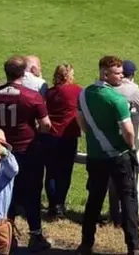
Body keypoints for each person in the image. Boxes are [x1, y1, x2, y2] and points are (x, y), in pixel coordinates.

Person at [0, 55, 51, 252]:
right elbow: (46, 125)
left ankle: (7, 234)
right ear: (24, 72)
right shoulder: (32, 96)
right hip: (27, 150)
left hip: (2, 149)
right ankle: (35, 235)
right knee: (32, 193)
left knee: (5, 192)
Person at [76, 55, 139, 255]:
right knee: (128, 199)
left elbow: (81, 122)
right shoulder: (117, 99)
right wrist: (129, 146)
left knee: (94, 200)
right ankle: (134, 245)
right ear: (105, 73)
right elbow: (129, 132)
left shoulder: (84, 94)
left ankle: (86, 243)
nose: (122, 77)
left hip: (95, 156)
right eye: (118, 73)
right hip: (118, 156)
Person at [43, 63, 81, 219]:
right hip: (67, 134)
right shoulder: (76, 90)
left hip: (50, 134)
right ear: (69, 75)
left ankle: (52, 205)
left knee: (51, 172)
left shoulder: (50, 93)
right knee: (64, 172)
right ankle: (59, 205)